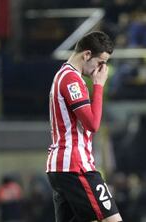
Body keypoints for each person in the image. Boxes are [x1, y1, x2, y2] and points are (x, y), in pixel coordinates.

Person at [46, 31, 123, 222]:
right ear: (87, 55)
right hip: (75, 166)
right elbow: (92, 124)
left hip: (61, 168)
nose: (102, 69)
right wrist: (98, 85)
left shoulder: (64, 76)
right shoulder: (71, 79)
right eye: (101, 62)